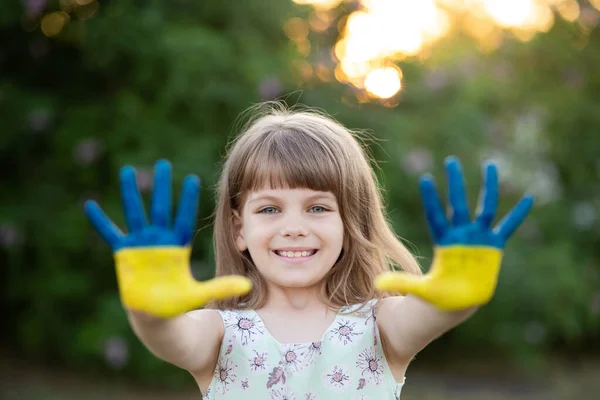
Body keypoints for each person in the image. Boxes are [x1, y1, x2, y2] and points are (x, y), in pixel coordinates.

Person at [84, 103, 533, 399]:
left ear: (348, 222)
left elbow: (432, 314)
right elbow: (172, 338)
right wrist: (147, 312)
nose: (294, 228)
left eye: (318, 207)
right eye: (270, 209)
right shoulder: (219, 333)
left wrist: (460, 295)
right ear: (239, 229)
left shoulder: (378, 325)